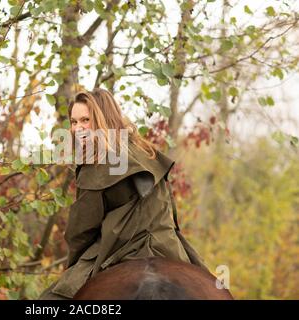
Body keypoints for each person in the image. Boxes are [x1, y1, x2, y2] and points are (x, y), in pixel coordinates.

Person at [38, 88, 207, 300]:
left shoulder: (95, 163)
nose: (77, 129)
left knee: (45, 303)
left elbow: (81, 232)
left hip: (120, 251)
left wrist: (73, 270)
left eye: (85, 120)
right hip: (168, 247)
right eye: (73, 122)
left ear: (103, 119)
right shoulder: (145, 151)